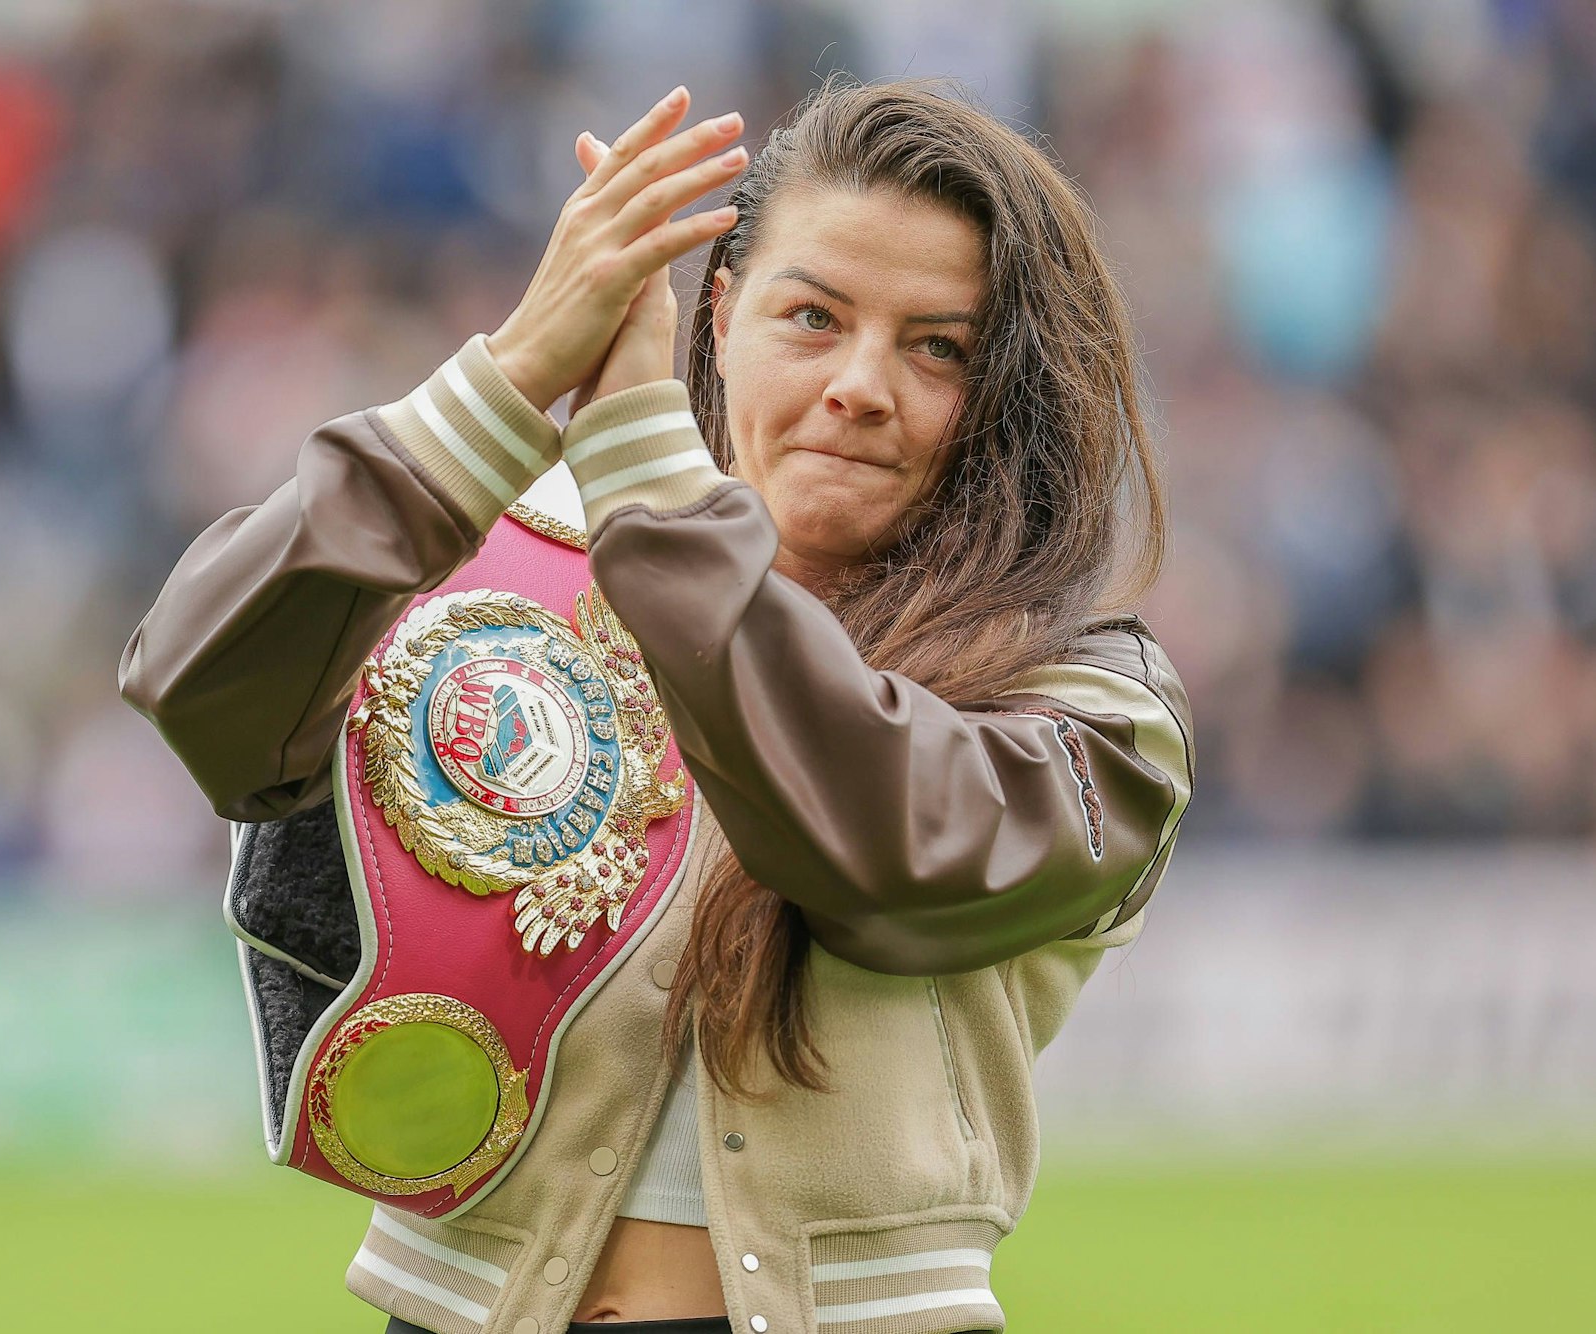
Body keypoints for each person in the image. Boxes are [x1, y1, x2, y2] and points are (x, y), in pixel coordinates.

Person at [121, 75, 1194, 1334]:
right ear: (721, 312)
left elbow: (872, 853)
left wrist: (639, 464)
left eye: (938, 345)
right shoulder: (513, 563)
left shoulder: (1094, 702)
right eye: (814, 315)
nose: (859, 381)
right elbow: (201, 691)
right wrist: (514, 375)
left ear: (1011, 389)